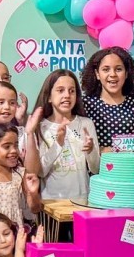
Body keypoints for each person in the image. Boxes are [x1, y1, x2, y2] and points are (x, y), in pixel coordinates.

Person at [25, 69, 99, 201]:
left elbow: (96, 169)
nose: (67, 95)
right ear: (49, 97)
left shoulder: (86, 124)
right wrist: (58, 144)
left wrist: (90, 150)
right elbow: (40, 171)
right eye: (60, 90)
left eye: (72, 91)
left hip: (83, 201)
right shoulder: (41, 127)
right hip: (51, 203)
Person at [80, 47, 134, 149]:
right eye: (106, 69)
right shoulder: (86, 104)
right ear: (97, 74)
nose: (113, 74)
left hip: (129, 159)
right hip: (96, 159)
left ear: (126, 73)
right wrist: (103, 151)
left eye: (118, 69)